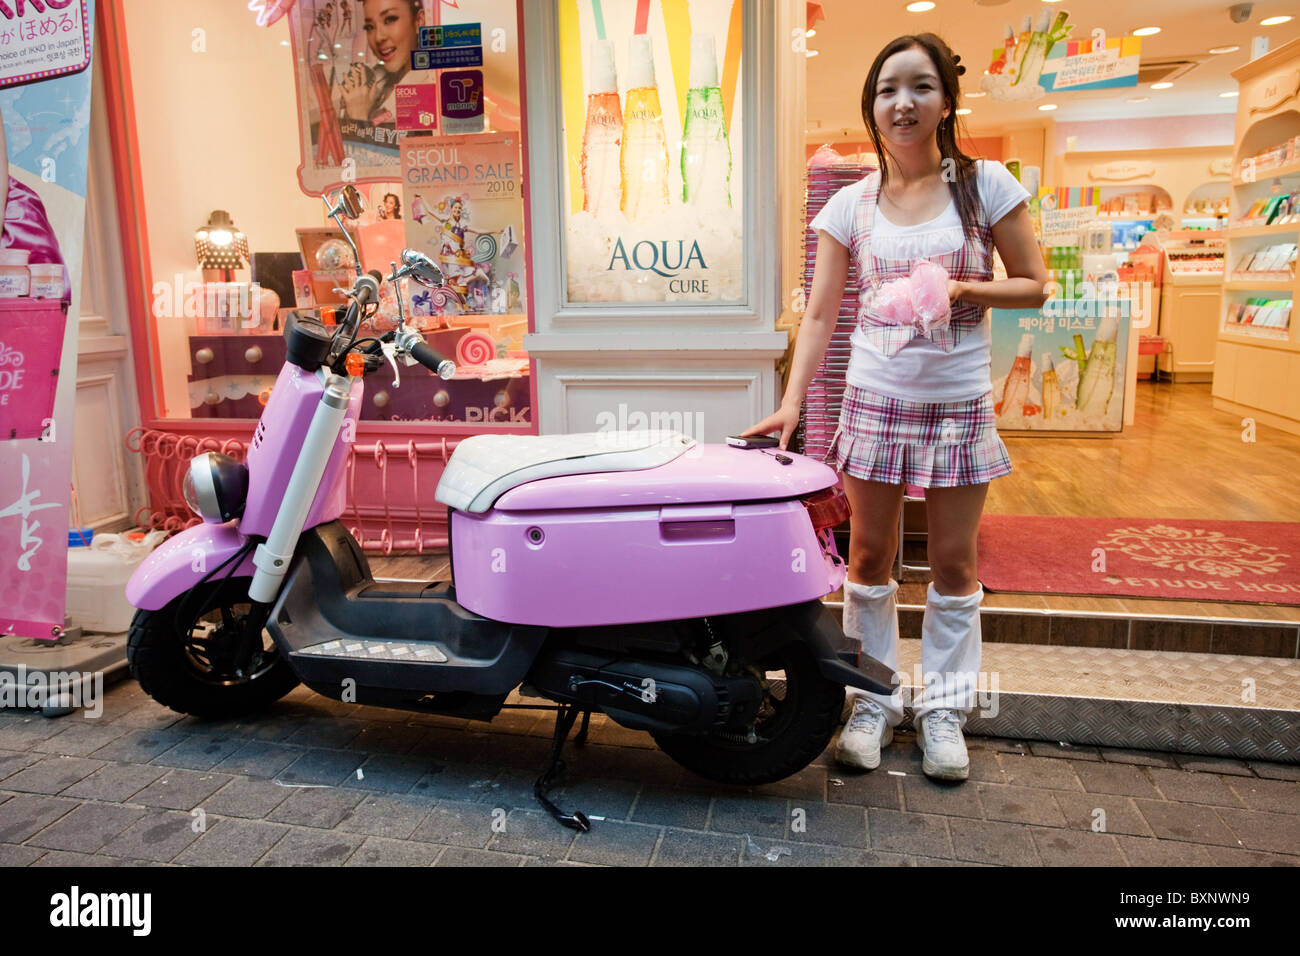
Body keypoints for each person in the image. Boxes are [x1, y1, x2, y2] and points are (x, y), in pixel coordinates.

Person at [743, 34, 1047, 782]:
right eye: (887, 90)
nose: (902, 103)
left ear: (947, 100)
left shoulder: (985, 186)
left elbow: (1034, 283)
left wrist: (962, 289)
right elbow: (819, 317)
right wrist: (789, 406)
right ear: (872, 105)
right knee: (870, 556)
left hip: (958, 403)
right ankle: (873, 698)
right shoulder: (851, 204)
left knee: (952, 561)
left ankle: (942, 708)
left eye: (919, 87)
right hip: (874, 401)